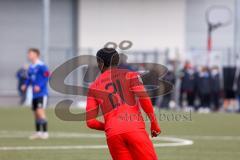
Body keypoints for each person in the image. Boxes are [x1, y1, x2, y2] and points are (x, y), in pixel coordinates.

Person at [86, 48, 161, 160]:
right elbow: (144, 98)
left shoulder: (93, 87)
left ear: (100, 63)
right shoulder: (130, 75)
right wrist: (154, 123)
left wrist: (110, 127)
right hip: (134, 129)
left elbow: (90, 122)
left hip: (113, 135)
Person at [21, 48, 50, 139]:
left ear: (36, 55)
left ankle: (45, 132)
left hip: (42, 93)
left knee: (40, 111)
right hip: (34, 94)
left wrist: (39, 86)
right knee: (36, 113)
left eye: (31, 54)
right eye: (28, 54)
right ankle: (38, 132)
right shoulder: (31, 67)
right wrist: (25, 85)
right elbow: (29, 79)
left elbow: (47, 76)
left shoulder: (41, 65)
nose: (29, 55)